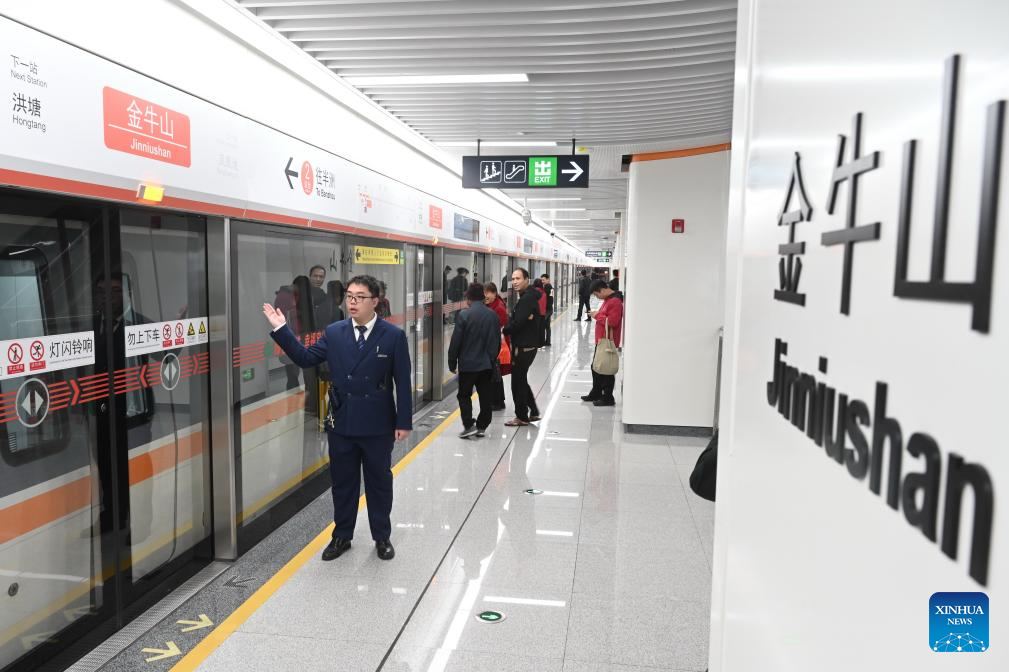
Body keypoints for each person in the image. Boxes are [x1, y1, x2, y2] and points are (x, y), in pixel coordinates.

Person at [263, 274, 412, 562]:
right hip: (342, 421)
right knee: (343, 483)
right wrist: (281, 329)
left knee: (379, 482)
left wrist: (403, 421)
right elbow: (306, 358)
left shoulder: (393, 336)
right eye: (349, 296)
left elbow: (402, 382)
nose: (352, 302)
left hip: (378, 423)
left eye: (360, 297)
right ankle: (342, 535)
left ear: (375, 302)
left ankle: (382, 536)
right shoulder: (334, 332)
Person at [448, 283, 501, 438]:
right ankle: (482, 426)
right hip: (486, 365)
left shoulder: (464, 315)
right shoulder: (492, 315)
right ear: (483, 297)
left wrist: (452, 362)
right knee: (485, 396)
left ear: (469, 298)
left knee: (464, 395)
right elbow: (497, 341)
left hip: (468, 365)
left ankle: (469, 425)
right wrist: (491, 358)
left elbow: (456, 341)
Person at [502, 268, 542, 426]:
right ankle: (534, 411)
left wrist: (504, 330)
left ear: (527, 279)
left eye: (518, 278)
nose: (515, 282)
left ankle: (521, 417)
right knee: (522, 380)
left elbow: (517, 323)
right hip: (528, 345)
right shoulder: (529, 296)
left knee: (517, 383)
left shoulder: (526, 299)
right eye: (513, 279)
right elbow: (521, 319)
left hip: (523, 347)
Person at [582, 279, 623, 407]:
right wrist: (597, 314)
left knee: (606, 368)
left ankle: (607, 397)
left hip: (607, 342)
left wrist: (597, 315)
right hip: (601, 340)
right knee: (597, 367)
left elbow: (613, 322)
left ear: (603, 290)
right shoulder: (608, 300)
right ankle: (596, 392)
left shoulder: (615, 302)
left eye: (596, 294)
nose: (597, 297)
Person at [484, 282, 509, 411]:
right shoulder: (492, 305)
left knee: (494, 373)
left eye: (488, 293)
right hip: (494, 344)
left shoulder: (498, 307)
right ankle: (498, 401)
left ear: (494, 293)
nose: (485, 295)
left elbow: (500, 327)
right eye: (484, 293)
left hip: (497, 345)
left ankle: (497, 402)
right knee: (495, 373)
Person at [539, 273, 554, 346]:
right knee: (547, 326)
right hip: (549, 309)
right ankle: (548, 341)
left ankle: (541, 341)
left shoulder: (547, 287)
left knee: (542, 325)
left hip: (547, 310)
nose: (542, 281)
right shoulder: (550, 287)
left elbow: (543, 296)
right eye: (541, 280)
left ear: (548, 279)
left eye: (543, 280)